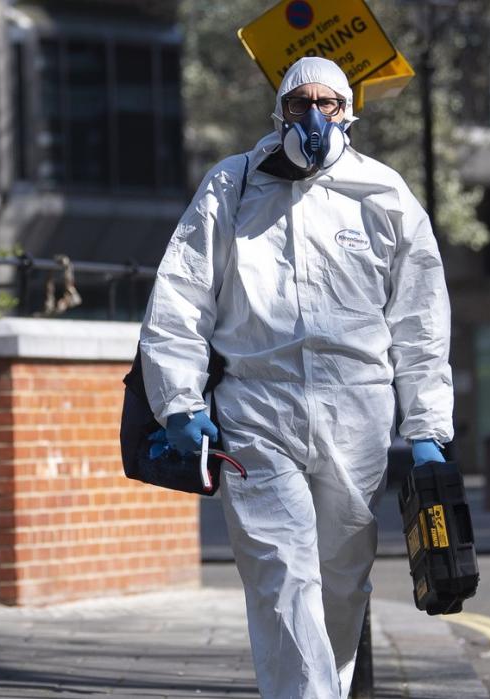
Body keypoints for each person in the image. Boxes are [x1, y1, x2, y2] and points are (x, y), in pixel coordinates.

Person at [139, 57, 453, 698]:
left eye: (328, 103)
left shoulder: (384, 195)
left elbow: (421, 321)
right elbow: (181, 295)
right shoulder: (233, 187)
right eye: (299, 103)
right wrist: (178, 398)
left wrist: (427, 428)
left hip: (357, 412)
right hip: (256, 408)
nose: (314, 116)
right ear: (278, 113)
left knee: (342, 582)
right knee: (282, 573)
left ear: (348, 111)